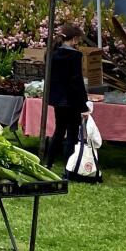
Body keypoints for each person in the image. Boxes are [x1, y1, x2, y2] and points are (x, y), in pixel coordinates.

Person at [44, 23, 89, 172]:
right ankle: (68, 169)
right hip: (72, 100)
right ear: (75, 39)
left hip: (58, 100)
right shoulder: (75, 55)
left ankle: (48, 163)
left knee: (58, 131)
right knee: (72, 134)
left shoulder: (52, 54)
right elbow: (76, 81)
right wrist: (83, 104)